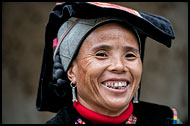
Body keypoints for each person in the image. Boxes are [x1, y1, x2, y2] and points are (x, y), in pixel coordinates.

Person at [36, 2, 182, 124]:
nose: (119, 66)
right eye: (101, 54)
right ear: (71, 71)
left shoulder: (166, 120)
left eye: (130, 55)